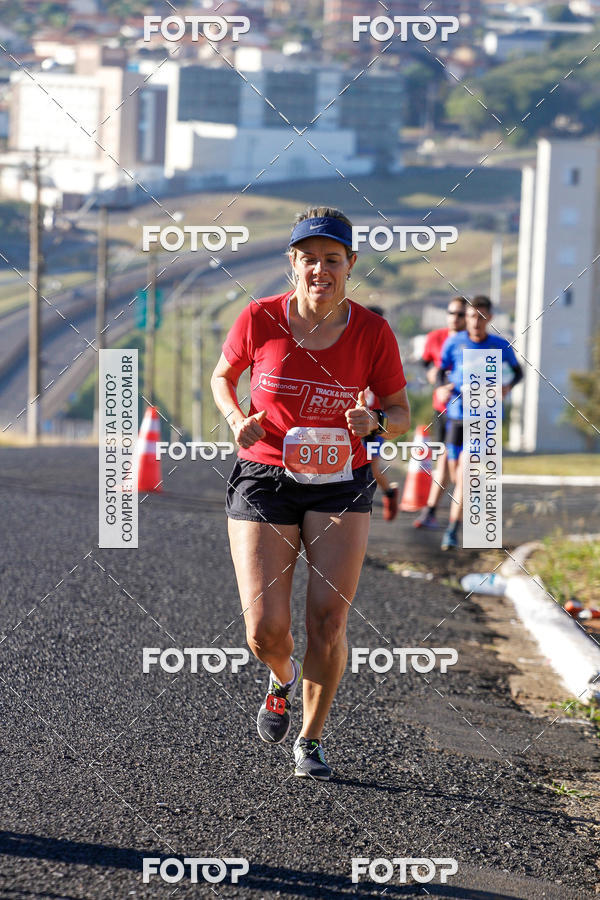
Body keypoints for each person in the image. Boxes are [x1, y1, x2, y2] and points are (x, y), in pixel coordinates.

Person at [211, 207, 410, 780]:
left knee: (328, 620)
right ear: (291, 263)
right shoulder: (259, 318)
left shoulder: (373, 332)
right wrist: (233, 418)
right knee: (263, 630)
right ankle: (280, 676)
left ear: (350, 265)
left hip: (339, 483)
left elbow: (400, 412)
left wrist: (374, 421)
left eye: (331, 259)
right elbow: (223, 376)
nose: (319, 269)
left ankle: (311, 738)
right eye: (308, 259)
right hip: (265, 476)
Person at [437, 295, 523, 550]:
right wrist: (442, 387)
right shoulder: (455, 343)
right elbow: (442, 370)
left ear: (490, 318)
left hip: (484, 418)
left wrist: (506, 387)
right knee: (455, 475)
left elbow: (518, 372)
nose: (476, 322)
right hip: (456, 416)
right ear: (467, 318)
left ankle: (452, 531)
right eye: (472, 316)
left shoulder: (500, 345)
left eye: (481, 317)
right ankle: (471, 506)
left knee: (464, 474)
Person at [413, 296, 467, 529]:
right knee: (444, 461)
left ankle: (455, 514)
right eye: (451, 313)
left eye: (460, 314)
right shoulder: (436, 338)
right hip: (443, 410)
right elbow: (427, 365)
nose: (454, 318)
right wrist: (436, 381)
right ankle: (432, 512)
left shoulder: (472, 343)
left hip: (468, 413)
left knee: (457, 468)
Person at [364, 305, 399, 521]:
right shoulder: (353, 346)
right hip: (354, 417)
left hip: (376, 420)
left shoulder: (385, 351)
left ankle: (389, 492)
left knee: (372, 469)